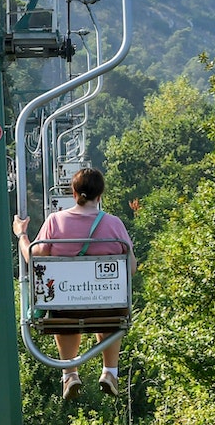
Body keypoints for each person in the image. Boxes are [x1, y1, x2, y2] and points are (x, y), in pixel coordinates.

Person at [13, 166, 133, 400]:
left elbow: (34, 258)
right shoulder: (114, 224)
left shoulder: (55, 222)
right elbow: (131, 266)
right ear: (100, 196)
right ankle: (110, 371)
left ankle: (70, 374)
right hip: (109, 308)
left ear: (74, 193)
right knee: (108, 305)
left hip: (63, 309)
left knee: (64, 310)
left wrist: (21, 235)